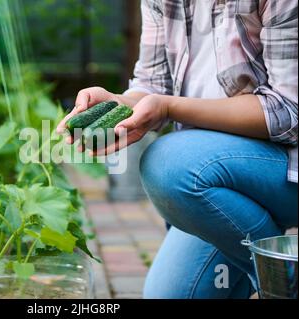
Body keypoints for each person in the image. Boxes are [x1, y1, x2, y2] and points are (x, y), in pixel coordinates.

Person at [57, 0, 298, 299]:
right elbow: (153, 84)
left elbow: (288, 112)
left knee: (168, 164)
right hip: (215, 170)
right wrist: (118, 103)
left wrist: (169, 107)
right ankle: (274, 265)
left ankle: (284, 283)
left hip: (285, 165)